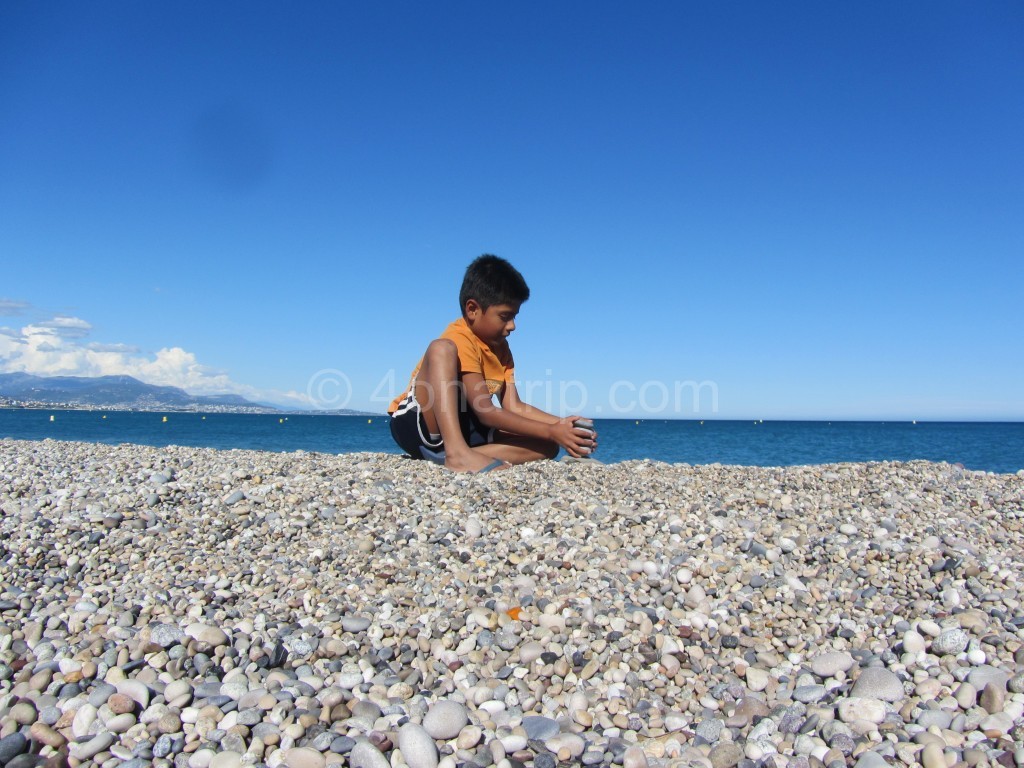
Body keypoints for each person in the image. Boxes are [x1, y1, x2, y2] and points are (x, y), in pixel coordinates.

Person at [388, 255, 597, 473]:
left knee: (548, 446)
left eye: (515, 316)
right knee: (442, 348)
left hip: (467, 427)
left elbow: (514, 405)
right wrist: (550, 429)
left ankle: (456, 457)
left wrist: (562, 426)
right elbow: (485, 410)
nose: (513, 326)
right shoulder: (461, 337)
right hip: (421, 425)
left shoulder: (502, 348)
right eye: (505, 316)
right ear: (472, 310)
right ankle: (457, 453)